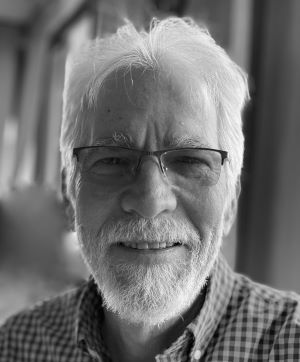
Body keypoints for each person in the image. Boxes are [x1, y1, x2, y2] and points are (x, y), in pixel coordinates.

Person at [0, 17, 299, 362]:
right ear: (69, 194)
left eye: (189, 161)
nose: (150, 200)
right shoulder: (16, 346)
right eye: (112, 159)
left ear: (230, 201)